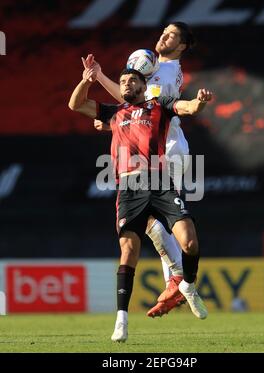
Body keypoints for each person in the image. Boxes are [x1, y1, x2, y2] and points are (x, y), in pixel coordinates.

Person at [68, 67, 212, 342]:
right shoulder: (113, 112)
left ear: (143, 85)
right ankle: (121, 320)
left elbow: (189, 107)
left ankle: (188, 286)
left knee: (190, 242)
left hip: (160, 180)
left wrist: (200, 102)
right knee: (129, 250)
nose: (126, 84)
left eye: (132, 80)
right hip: (130, 186)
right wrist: (85, 81)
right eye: (122, 81)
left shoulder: (160, 106)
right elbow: (75, 104)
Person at [83, 22, 196, 317]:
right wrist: (114, 120)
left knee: (152, 219)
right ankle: (174, 279)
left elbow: (136, 102)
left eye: (172, 35)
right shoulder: (162, 67)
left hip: (165, 152)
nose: (164, 36)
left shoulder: (166, 71)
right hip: (162, 151)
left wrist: (99, 77)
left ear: (182, 46)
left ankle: (176, 278)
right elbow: (133, 110)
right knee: (151, 220)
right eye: (164, 32)